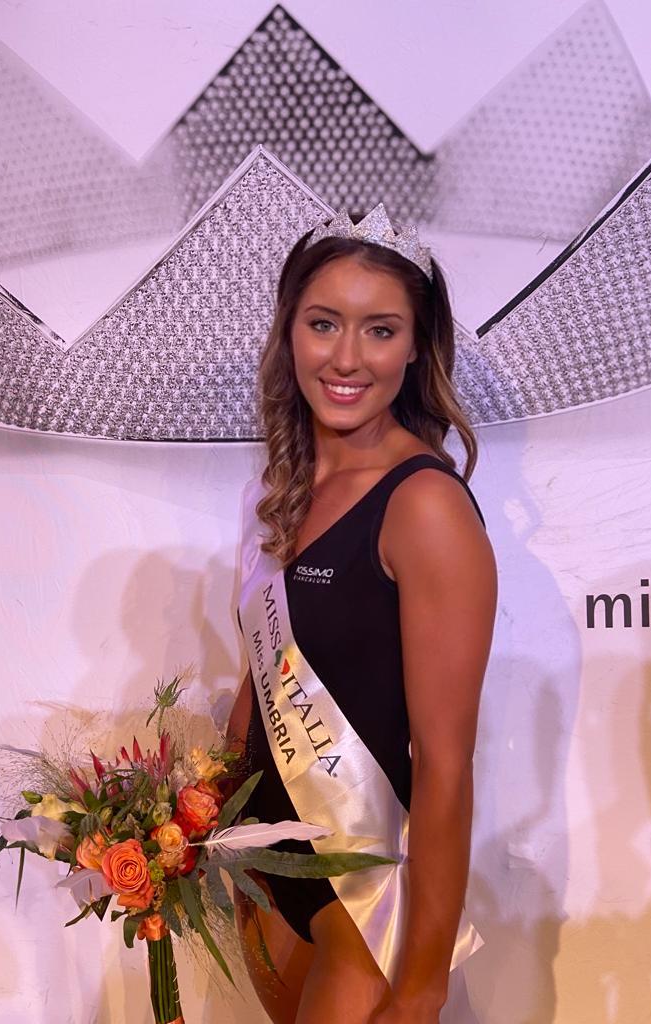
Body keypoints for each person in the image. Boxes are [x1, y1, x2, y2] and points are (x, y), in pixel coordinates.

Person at [226, 205, 497, 1024]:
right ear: (289, 333)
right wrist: (191, 819)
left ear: (416, 347)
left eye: (380, 330)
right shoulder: (283, 490)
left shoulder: (425, 506)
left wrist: (422, 987)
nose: (346, 358)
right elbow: (261, 679)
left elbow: (444, 765)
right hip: (264, 879)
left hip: (360, 909)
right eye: (323, 324)